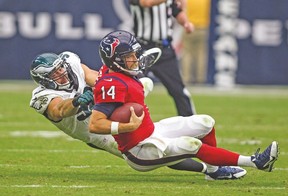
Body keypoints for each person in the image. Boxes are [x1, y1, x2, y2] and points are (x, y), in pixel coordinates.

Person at [88, 30, 279, 176]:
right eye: (129, 57)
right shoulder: (111, 84)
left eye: (134, 54)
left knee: (205, 122)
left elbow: (130, 95)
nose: (135, 59)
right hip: (139, 150)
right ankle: (255, 162)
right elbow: (95, 124)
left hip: (151, 130)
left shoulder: (116, 71)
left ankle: (214, 172)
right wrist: (125, 126)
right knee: (191, 145)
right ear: (115, 61)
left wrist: (143, 86)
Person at [29, 50, 242, 180]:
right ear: (43, 80)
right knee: (154, 149)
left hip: (107, 110)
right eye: (54, 73)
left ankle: (139, 86)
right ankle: (208, 168)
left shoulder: (71, 63)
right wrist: (77, 100)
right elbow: (59, 110)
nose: (61, 73)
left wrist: (104, 87)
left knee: (142, 88)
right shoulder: (42, 96)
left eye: (60, 68)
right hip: (96, 132)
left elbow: (95, 77)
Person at [129, 0, 196, 116]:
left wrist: (185, 23)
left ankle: (190, 121)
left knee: (178, 90)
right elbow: (146, 2)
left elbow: (177, 11)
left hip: (165, 49)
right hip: (142, 49)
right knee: (132, 87)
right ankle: (122, 122)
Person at [181, 0, 210, 85]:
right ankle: (200, 78)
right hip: (202, 27)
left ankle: (187, 77)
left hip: (188, 26)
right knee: (201, 54)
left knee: (187, 53)